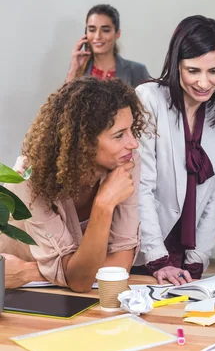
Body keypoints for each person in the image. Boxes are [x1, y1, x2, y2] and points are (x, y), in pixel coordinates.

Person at [0, 77, 147, 292]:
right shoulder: (31, 179)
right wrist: (103, 206)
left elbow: (119, 264)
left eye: (131, 130)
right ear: (83, 143)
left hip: (52, 288)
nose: (133, 143)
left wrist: (28, 271)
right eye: (119, 135)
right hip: (17, 294)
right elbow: (79, 280)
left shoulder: (126, 163)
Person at [134, 15, 215, 286]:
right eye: (193, 71)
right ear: (176, 65)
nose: (204, 83)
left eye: (213, 71)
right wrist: (156, 258)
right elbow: (140, 187)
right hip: (142, 249)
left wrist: (197, 259)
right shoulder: (149, 99)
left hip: (185, 258)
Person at [66, 4, 150, 87]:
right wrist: (73, 70)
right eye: (92, 30)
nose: (97, 36)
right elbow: (64, 100)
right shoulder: (78, 69)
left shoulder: (137, 71)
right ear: (86, 33)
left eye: (105, 30)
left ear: (117, 34)